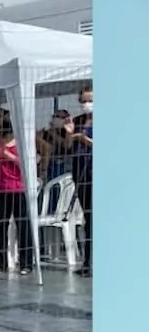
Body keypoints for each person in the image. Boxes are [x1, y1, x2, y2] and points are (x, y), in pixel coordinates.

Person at [0, 112, 34, 275]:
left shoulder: (22, 143)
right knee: (1, 226)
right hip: (0, 188)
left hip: (18, 188)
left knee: (23, 226)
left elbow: (27, 164)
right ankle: (0, 263)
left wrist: (8, 154)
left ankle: (26, 262)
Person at [70, 85, 93, 276]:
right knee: (87, 218)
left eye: (90, 100)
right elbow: (69, 145)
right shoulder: (78, 121)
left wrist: (86, 140)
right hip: (80, 171)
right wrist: (71, 135)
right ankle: (87, 262)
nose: (87, 104)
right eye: (84, 101)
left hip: (94, 168)